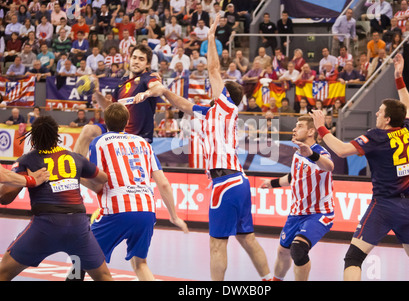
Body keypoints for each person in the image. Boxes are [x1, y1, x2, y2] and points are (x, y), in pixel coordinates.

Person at [137, 14, 272, 281]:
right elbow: (184, 104)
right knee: (247, 239)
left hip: (225, 183)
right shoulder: (209, 112)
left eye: (218, 90)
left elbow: (213, 70)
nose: (214, 89)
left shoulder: (226, 105)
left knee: (217, 244)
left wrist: (210, 38)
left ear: (225, 95)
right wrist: (163, 91)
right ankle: (269, 280)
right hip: (238, 181)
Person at [309, 54, 409, 281]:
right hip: (407, 206)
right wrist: (399, 78)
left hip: (384, 205)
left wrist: (321, 128)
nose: (377, 113)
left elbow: (341, 150)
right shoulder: (407, 129)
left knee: (353, 258)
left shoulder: (377, 137)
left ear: (387, 119)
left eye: (380, 111)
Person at [67, 103, 188, 281]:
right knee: (140, 264)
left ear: (104, 122)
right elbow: (163, 184)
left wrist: (74, 177)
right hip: (146, 211)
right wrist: (174, 216)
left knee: (80, 257)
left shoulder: (99, 142)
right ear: (127, 121)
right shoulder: (143, 143)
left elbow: (97, 185)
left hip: (117, 210)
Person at [0, 116, 113, 281]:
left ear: (33, 139)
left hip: (46, 226)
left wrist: (27, 180)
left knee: (3, 273)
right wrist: (73, 177)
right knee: (104, 276)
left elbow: (4, 197)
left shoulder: (28, 160)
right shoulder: (75, 158)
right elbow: (102, 178)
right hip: (78, 227)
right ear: (56, 136)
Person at [260, 115, 334, 281]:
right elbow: (294, 177)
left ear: (310, 131)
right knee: (282, 251)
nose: (294, 129)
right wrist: (272, 184)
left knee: (298, 249)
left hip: (319, 214)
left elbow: (329, 166)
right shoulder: (298, 153)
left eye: (299, 126)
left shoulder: (320, 153)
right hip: (296, 213)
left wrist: (311, 154)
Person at [73, 44, 161, 157]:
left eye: (141, 59)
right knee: (88, 130)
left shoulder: (148, 77)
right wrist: (96, 92)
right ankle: (74, 168)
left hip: (137, 138)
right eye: (134, 57)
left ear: (147, 64)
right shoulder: (121, 84)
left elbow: (159, 88)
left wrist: (147, 93)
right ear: (130, 59)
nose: (136, 61)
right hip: (116, 132)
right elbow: (109, 108)